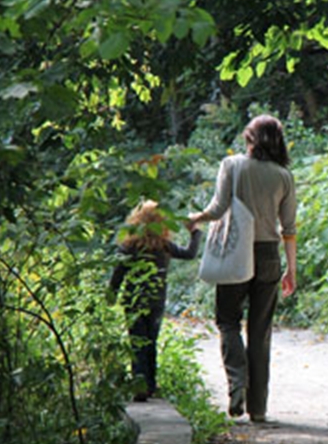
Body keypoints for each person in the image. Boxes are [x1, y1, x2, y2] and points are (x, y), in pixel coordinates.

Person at [188, 115, 297, 423]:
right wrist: (292, 270)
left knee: (228, 321)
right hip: (268, 256)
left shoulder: (232, 166)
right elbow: (289, 228)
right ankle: (258, 409)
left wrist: (194, 219)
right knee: (260, 333)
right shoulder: (284, 176)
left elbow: (218, 210)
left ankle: (237, 384)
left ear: (250, 139)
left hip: (236, 253)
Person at [110, 200, 201, 402]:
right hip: (156, 301)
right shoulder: (164, 246)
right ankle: (150, 385)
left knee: (137, 343)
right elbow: (189, 253)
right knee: (151, 342)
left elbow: (118, 273)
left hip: (133, 301)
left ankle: (139, 384)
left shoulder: (129, 246)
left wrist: (111, 295)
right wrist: (195, 232)